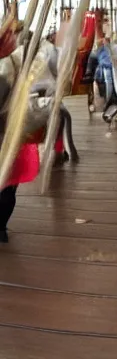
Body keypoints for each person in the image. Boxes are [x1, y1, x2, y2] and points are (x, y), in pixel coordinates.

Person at [0, 27, 40, 243]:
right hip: (9, 130)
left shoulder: (14, 64)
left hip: (10, 130)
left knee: (8, 184)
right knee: (8, 184)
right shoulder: (14, 65)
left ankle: (1, 226)